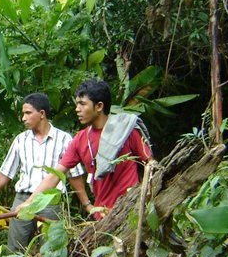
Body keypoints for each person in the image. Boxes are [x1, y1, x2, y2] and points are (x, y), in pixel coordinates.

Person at [21, 79, 152, 219]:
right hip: (103, 216)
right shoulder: (80, 139)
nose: (77, 109)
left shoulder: (126, 130)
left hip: (132, 208)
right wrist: (29, 203)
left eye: (82, 104)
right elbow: (55, 175)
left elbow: (150, 165)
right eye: (77, 103)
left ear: (99, 106)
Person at [0, 92, 87, 253]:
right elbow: (5, 174)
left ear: (42, 114)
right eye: (23, 113)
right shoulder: (20, 140)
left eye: (28, 113)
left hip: (51, 201)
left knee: (51, 249)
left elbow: (74, 175)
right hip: (22, 199)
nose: (23, 118)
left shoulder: (64, 139)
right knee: (15, 248)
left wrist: (86, 204)